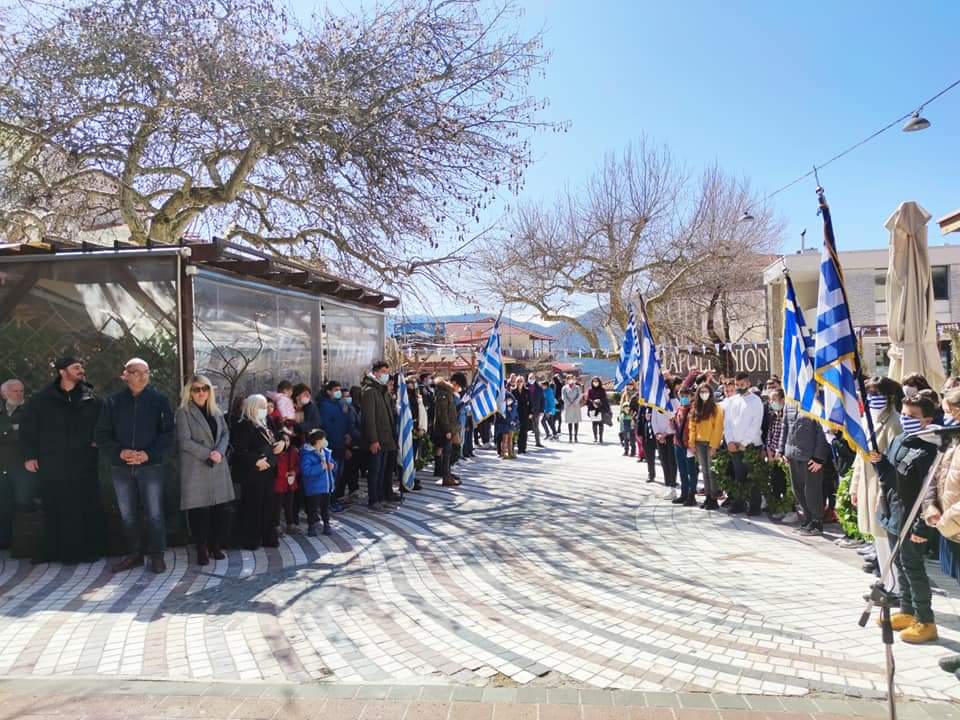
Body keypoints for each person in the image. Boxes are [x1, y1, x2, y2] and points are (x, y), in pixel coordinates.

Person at [869, 389, 940, 644]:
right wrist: (879, 462)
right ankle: (908, 610)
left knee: (913, 567)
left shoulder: (931, 450)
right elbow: (891, 475)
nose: (906, 419)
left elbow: (930, 492)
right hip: (893, 513)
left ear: (927, 420)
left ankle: (926, 620)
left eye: (912, 416)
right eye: (904, 414)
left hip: (912, 518)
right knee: (899, 564)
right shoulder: (900, 439)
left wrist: (922, 527)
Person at [20, 358, 104, 564]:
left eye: (82, 367)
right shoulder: (41, 400)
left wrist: (98, 440)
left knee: (85, 506)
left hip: (84, 462)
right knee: (55, 506)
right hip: (53, 463)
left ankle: (87, 551)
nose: (81, 370)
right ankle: (57, 552)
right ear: (62, 371)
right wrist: (30, 456)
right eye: (76, 367)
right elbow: (29, 428)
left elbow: (103, 423)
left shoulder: (91, 398)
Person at [96, 358, 175, 574]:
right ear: (126, 375)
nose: (142, 376)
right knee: (128, 514)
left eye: (146, 372)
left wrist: (148, 454)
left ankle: (157, 555)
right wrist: (119, 452)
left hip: (151, 466)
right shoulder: (113, 402)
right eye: (136, 372)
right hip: (121, 467)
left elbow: (169, 433)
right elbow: (101, 435)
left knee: (154, 513)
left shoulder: (159, 400)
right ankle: (134, 555)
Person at [175, 375, 234, 566]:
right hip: (196, 466)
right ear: (190, 392)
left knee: (220, 509)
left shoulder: (216, 411)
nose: (201, 392)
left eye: (205, 388)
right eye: (196, 389)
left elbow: (225, 433)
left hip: (217, 465)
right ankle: (201, 547)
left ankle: (214, 544)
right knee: (199, 511)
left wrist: (219, 452)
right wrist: (209, 453)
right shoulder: (183, 412)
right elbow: (184, 441)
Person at [852, 377, 904, 581]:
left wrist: (882, 460)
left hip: (882, 485)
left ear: (889, 396)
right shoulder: (867, 419)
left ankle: (891, 580)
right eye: (869, 394)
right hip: (867, 483)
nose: (872, 398)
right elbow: (859, 457)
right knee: (876, 534)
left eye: (877, 394)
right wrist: (854, 486)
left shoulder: (894, 421)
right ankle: (883, 572)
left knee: (884, 534)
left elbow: (897, 458)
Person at [231, 394, 284, 550]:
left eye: (265, 407)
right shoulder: (243, 425)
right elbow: (239, 450)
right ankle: (251, 539)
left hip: (268, 470)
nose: (265, 410)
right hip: (253, 472)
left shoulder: (267, 422)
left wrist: (283, 442)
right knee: (253, 505)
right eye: (261, 407)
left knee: (268, 504)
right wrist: (255, 461)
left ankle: (268, 536)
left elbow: (279, 435)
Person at [779, 397, 831, 536]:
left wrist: (819, 457)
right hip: (793, 454)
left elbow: (822, 431)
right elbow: (785, 426)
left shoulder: (815, 402)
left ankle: (816, 522)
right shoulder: (790, 402)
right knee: (798, 490)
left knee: (812, 491)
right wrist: (782, 450)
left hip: (810, 457)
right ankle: (807, 519)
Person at [722, 371, 765, 515]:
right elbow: (727, 422)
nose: (740, 387)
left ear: (748, 383)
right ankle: (739, 503)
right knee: (738, 476)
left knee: (752, 477)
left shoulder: (755, 401)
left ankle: (754, 506)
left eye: (742, 384)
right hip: (734, 446)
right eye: (737, 384)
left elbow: (755, 424)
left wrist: (744, 443)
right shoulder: (732, 401)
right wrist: (729, 441)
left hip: (751, 445)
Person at [0, 378, 33, 548]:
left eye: (21, 391)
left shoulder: (29, 411)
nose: (19, 394)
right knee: (3, 504)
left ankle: (24, 541)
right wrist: (13, 431)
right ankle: (4, 542)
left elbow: (31, 435)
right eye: (15, 391)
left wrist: (8, 433)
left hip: (23, 465)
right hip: (2, 466)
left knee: (23, 501)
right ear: (4, 394)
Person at [362, 361, 398, 511]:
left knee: (382, 471)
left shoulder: (382, 391)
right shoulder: (370, 391)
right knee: (375, 471)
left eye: (387, 372)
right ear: (375, 373)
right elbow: (369, 418)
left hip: (386, 439)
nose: (386, 375)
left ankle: (381, 497)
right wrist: (373, 440)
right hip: (377, 440)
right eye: (383, 372)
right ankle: (373, 499)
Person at [688, 382, 724, 509]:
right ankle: (708, 497)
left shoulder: (716, 408)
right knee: (704, 472)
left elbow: (718, 428)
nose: (704, 394)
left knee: (711, 472)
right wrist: (692, 443)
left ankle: (713, 498)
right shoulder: (696, 408)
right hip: (699, 443)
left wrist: (714, 446)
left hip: (710, 444)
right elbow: (692, 426)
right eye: (701, 392)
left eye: (706, 391)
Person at [319, 380, 351, 511]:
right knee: (332, 475)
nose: (338, 392)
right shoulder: (324, 405)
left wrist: (347, 434)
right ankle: (328, 502)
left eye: (339, 389)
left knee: (339, 475)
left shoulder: (341, 404)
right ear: (328, 391)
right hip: (331, 445)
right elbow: (326, 425)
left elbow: (346, 421)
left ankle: (335, 499)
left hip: (342, 443)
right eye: (335, 390)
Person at [300, 429, 337, 536]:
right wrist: (320, 467)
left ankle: (326, 524)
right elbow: (306, 470)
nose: (325, 441)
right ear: (317, 441)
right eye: (323, 439)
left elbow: (333, 463)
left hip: (326, 486)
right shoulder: (307, 454)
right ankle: (311, 526)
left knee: (325, 507)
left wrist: (333, 466)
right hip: (314, 488)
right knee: (312, 508)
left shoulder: (326, 452)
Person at [433, 374, 463, 485]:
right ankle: (446, 476)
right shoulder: (444, 393)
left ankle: (445, 472)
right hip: (445, 428)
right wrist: (447, 430)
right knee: (447, 452)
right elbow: (443, 413)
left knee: (448, 450)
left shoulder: (448, 392)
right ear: (454, 383)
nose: (459, 389)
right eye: (459, 386)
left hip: (449, 426)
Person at [673, 386, 698, 506]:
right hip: (678, 444)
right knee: (682, 471)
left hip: (689, 446)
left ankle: (691, 495)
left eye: (686, 396)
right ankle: (684, 494)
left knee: (691, 471)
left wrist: (692, 444)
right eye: (681, 396)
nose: (683, 398)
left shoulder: (693, 410)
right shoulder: (679, 409)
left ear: (691, 396)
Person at [497, 388, 520, 459]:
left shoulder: (511, 399)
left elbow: (515, 412)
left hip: (511, 421)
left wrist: (515, 420)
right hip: (506, 422)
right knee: (505, 438)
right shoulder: (504, 397)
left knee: (510, 438)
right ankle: (503, 453)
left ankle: (510, 453)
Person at [586, 377, 610, 444]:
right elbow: (588, 399)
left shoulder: (602, 390)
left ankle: (601, 438)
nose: (595, 383)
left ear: (599, 382)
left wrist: (599, 401)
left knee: (601, 424)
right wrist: (593, 402)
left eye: (596, 381)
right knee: (594, 423)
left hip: (601, 408)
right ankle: (595, 437)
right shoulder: (590, 390)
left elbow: (605, 399)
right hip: (592, 408)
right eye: (594, 381)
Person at [514, 376, 532, 454]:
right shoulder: (513, 391)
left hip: (525, 413)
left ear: (523, 382)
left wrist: (531, 412)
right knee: (516, 431)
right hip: (516, 413)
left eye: (521, 381)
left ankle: (523, 447)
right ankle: (516, 446)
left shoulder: (527, 391)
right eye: (518, 381)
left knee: (524, 431)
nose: (519, 383)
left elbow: (531, 402)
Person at [561, 376, 582, 443]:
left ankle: (575, 436)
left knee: (576, 421)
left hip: (576, 406)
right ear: (567, 380)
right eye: (569, 379)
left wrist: (575, 402)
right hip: (568, 406)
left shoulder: (577, 387)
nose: (570, 380)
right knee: (569, 421)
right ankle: (570, 437)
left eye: (571, 379)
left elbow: (579, 395)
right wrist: (569, 403)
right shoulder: (564, 388)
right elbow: (563, 396)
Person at [619, 384, 636, 457]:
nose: (629, 386)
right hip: (625, 420)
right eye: (628, 384)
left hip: (632, 418)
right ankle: (626, 450)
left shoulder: (635, 394)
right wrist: (621, 414)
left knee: (632, 439)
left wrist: (633, 415)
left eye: (631, 384)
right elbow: (621, 406)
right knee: (625, 437)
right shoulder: (624, 394)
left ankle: (633, 451)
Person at [528, 374, 545, 448]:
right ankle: (522, 443)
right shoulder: (525, 386)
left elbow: (542, 400)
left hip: (536, 410)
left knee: (536, 427)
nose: (531, 379)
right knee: (524, 427)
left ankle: (538, 442)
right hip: (526, 410)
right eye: (530, 378)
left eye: (533, 378)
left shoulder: (539, 388)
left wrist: (542, 410)